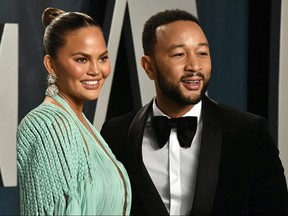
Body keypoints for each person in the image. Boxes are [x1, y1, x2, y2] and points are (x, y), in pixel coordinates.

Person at [100, 9, 288, 216]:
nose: (195, 66)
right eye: (179, 54)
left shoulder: (249, 132)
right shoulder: (115, 134)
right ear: (149, 67)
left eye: (202, 53)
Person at [16, 7, 131, 215]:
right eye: (82, 59)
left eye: (102, 58)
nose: (96, 70)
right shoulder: (49, 126)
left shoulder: (80, 123)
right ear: (51, 65)